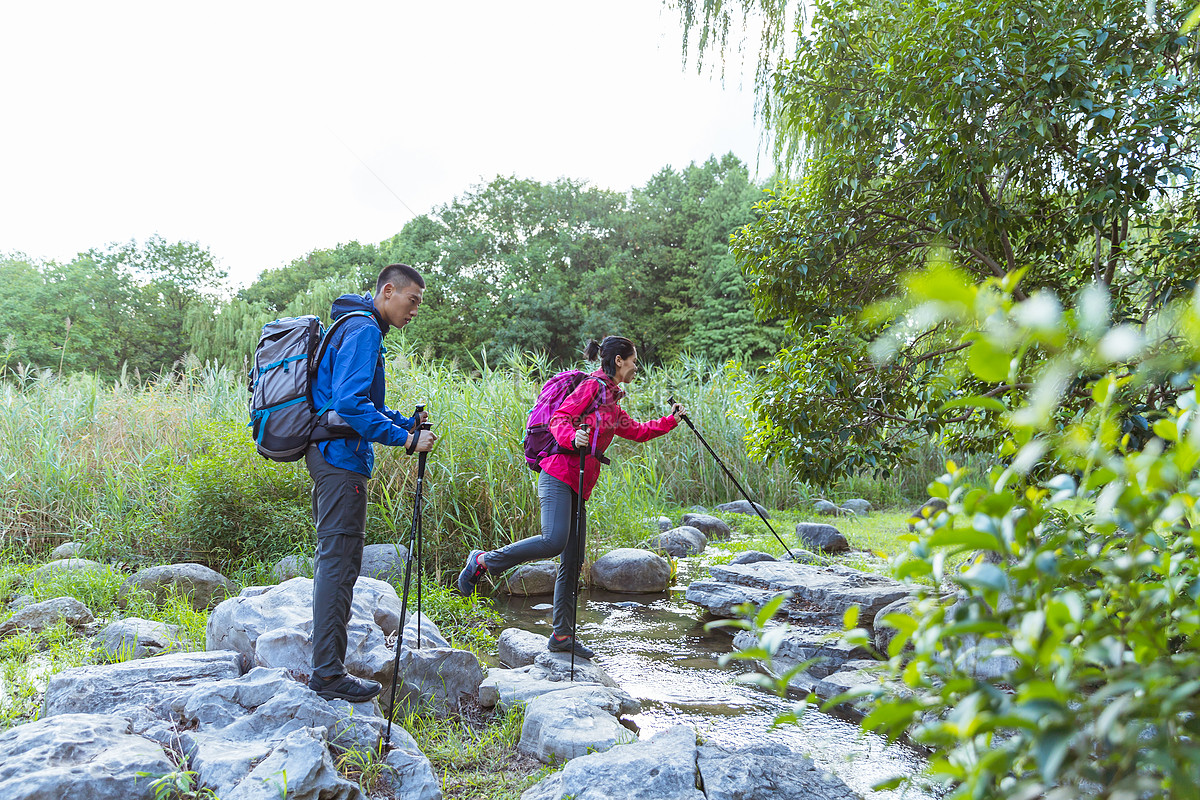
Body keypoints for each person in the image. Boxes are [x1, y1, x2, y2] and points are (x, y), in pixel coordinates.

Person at [456, 335, 685, 658]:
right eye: (633, 360)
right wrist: (571, 438)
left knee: (573, 559)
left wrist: (671, 421)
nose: (636, 367)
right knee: (553, 540)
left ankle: (562, 635)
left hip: (579, 483)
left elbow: (638, 431)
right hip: (558, 474)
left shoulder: (612, 404)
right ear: (619, 360)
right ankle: (483, 561)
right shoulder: (592, 387)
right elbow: (559, 418)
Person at [306, 263, 437, 702]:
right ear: (387, 291)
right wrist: (405, 439)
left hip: (334, 457)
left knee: (338, 563)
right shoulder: (364, 330)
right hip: (340, 462)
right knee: (340, 566)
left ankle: (326, 668)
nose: (415, 310)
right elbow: (349, 405)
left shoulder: (355, 324)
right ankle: (326, 675)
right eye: (412, 300)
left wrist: (404, 423)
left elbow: (360, 405)